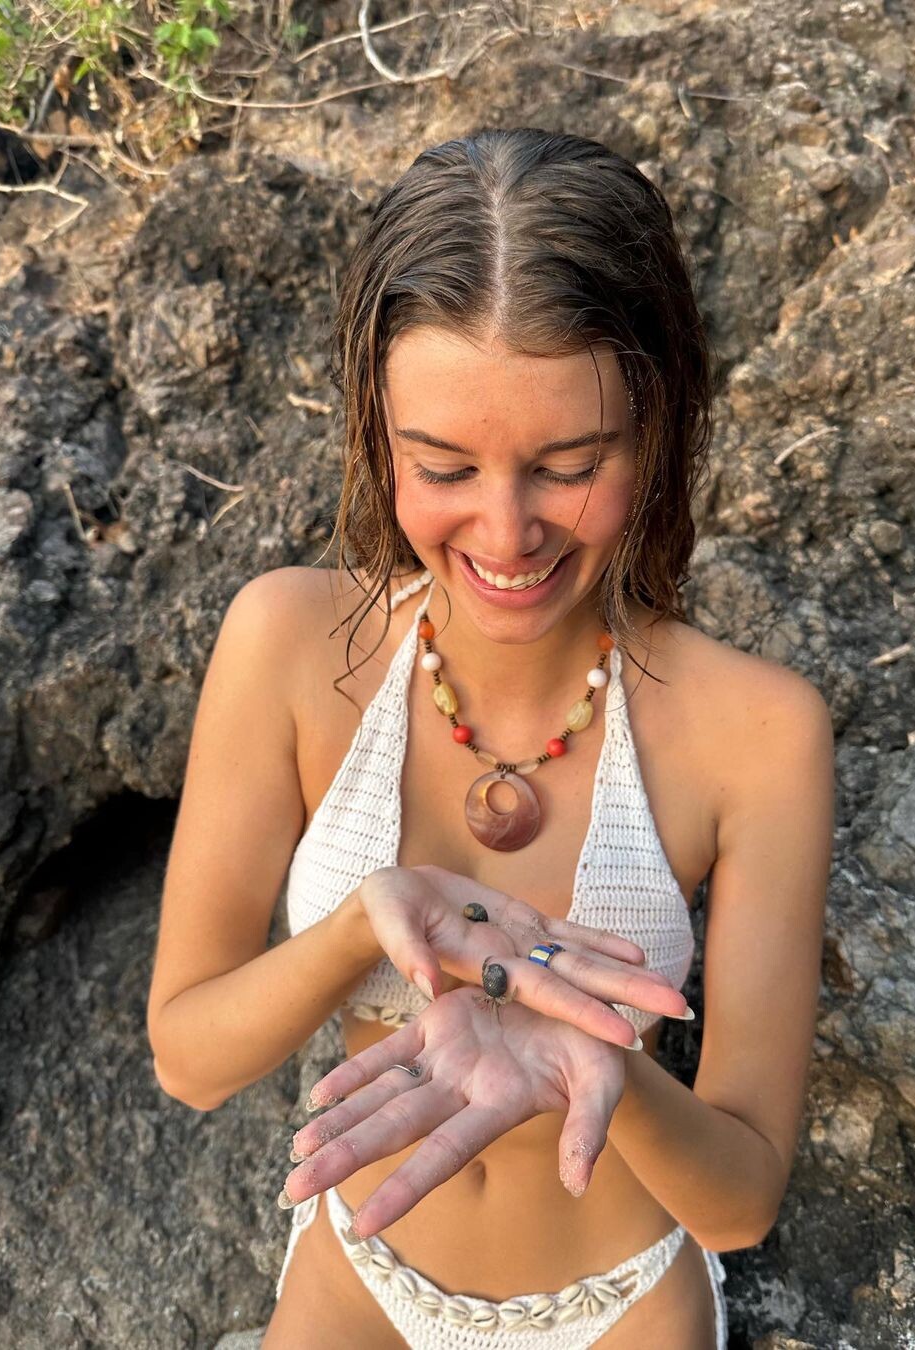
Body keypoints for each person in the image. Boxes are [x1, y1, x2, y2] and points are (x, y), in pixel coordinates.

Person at [147, 127, 835, 1349]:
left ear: (656, 428)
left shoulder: (759, 733)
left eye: (569, 465)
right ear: (377, 435)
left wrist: (600, 1063)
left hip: (622, 1304)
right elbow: (189, 1059)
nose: (507, 534)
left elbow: (739, 1203)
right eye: (445, 466)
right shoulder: (287, 644)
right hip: (359, 1278)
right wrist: (365, 923)